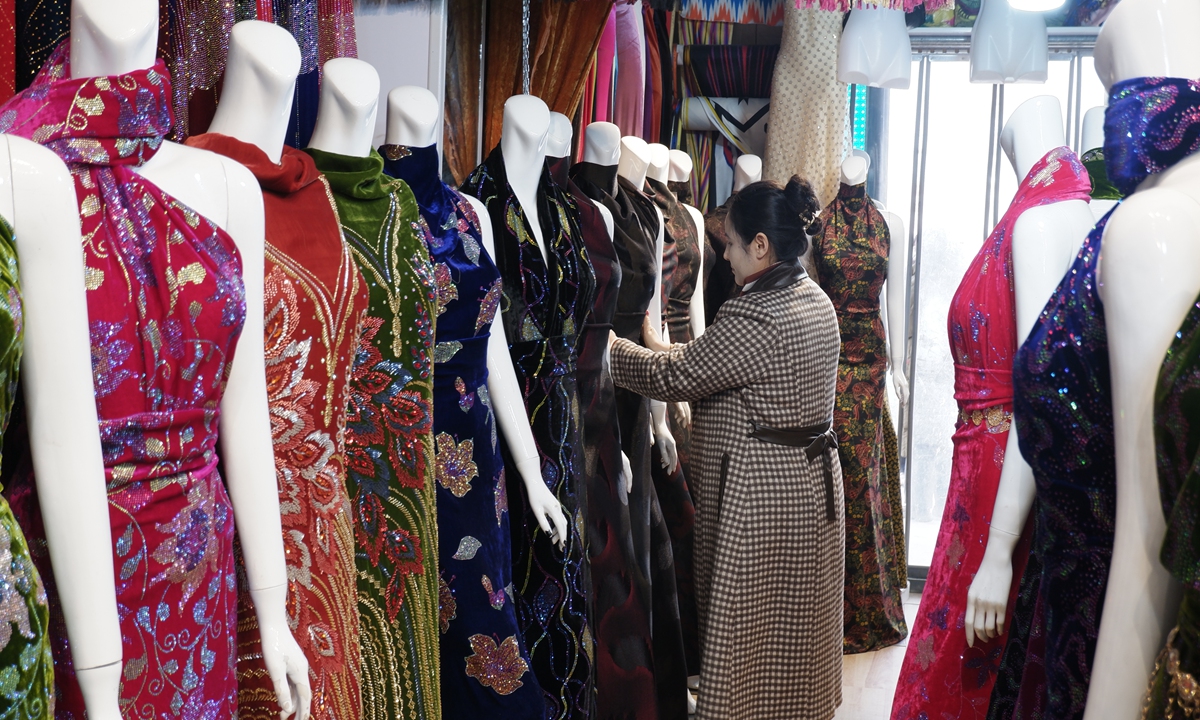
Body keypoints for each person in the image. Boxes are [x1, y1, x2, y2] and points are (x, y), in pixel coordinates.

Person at [608, 176, 845, 720]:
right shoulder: (812, 298)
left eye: (733, 245)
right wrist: (660, 342)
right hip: (808, 488)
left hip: (761, 497)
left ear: (761, 246)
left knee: (750, 631)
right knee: (794, 630)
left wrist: (612, 346)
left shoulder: (755, 312)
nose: (728, 258)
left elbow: (679, 379)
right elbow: (729, 368)